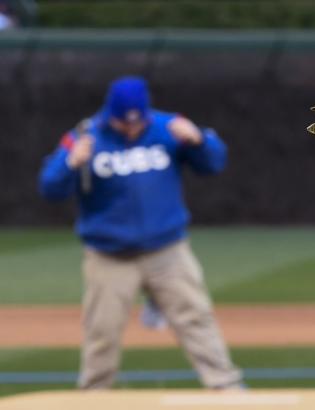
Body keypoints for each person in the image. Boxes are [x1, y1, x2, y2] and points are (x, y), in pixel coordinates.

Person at [38, 76, 243, 390]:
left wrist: (199, 141)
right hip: (109, 255)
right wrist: (70, 163)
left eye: (137, 121)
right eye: (123, 122)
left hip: (167, 250)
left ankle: (227, 387)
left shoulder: (168, 126)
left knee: (196, 319)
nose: (131, 128)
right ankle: (93, 395)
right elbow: (49, 188)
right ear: (111, 114)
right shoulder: (85, 135)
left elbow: (214, 164)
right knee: (101, 331)